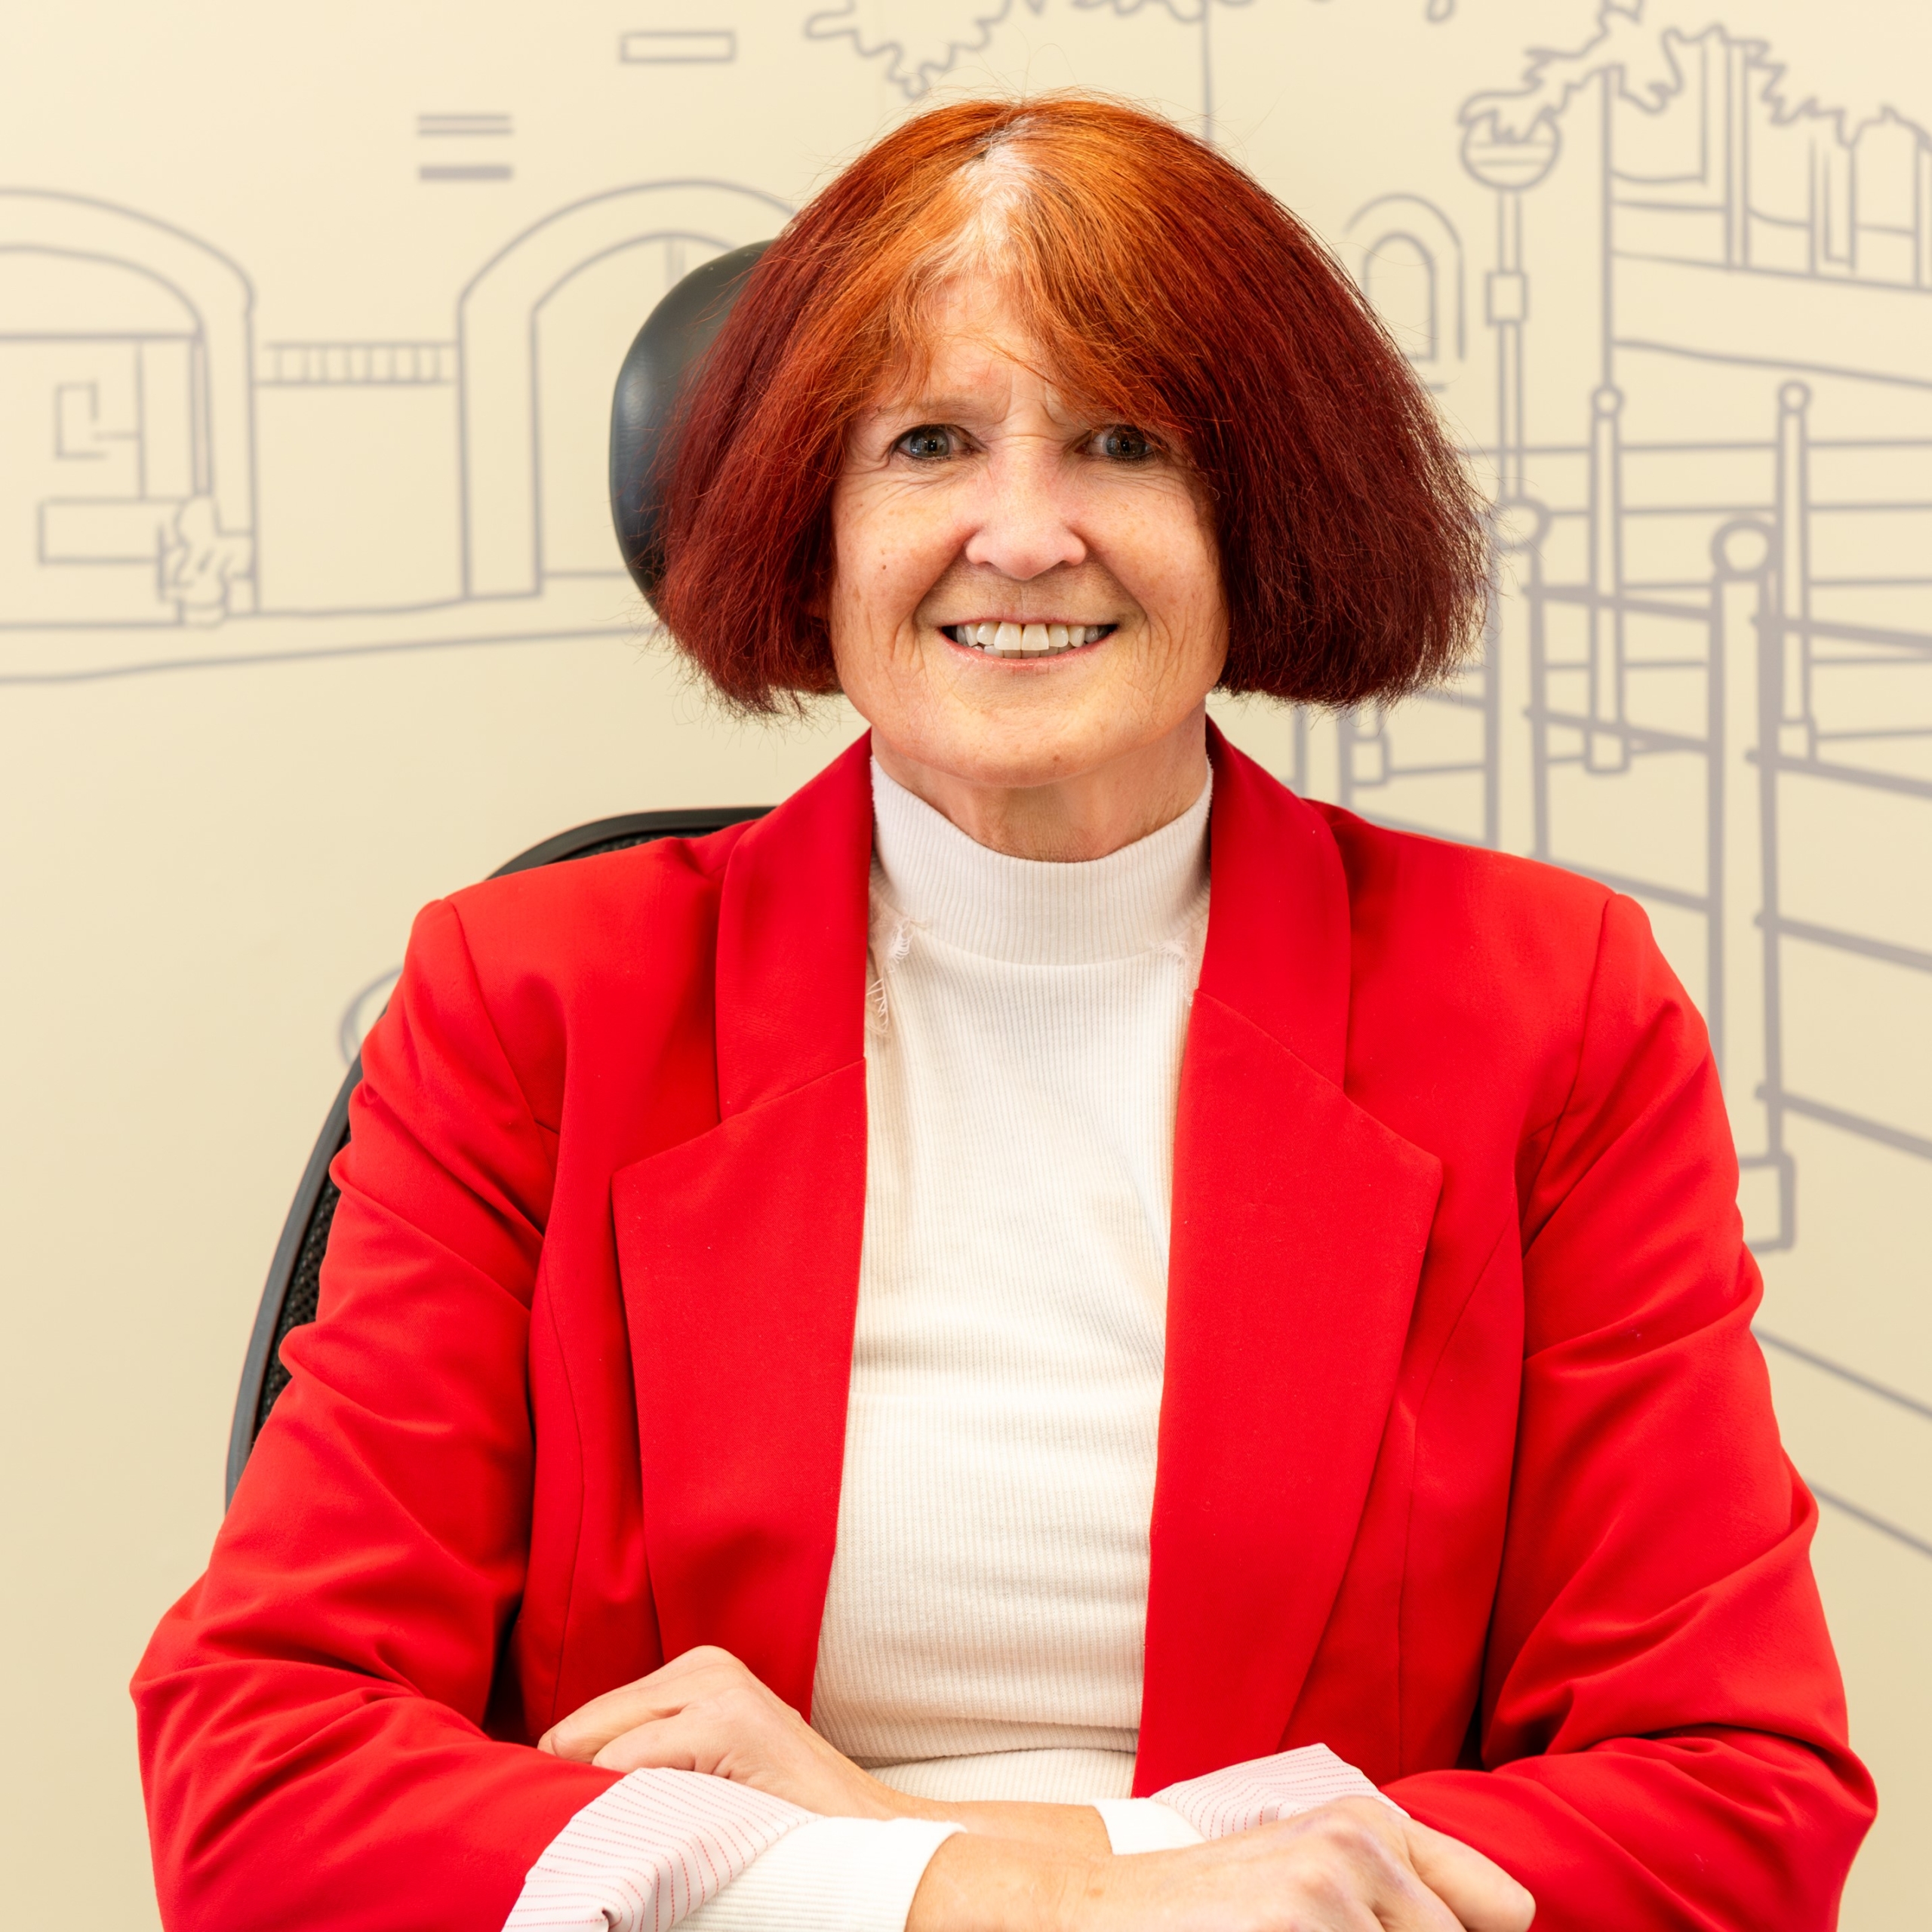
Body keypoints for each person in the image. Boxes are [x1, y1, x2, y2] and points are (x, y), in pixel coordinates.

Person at [135, 95, 1872, 1931]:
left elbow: (1731, 1798)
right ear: (809, 522)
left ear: (1259, 512)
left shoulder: (1543, 1009)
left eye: (1123, 442)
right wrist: (974, 1888)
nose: (1025, 534)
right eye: (927, 443)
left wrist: (913, 1839)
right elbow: (263, 1774)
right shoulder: (538, 1002)